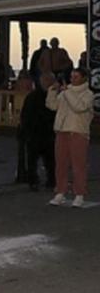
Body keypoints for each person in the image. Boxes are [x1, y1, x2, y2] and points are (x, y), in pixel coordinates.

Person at [46, 68, 93, 207]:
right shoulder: (66, 92)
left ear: (84, 78)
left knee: (78, 165)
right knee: (61, 164)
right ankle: (60, 191)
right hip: (62, 131)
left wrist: (67, 92)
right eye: (72, 76)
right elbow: (52, 105)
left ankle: (79, 194)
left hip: (78, 132)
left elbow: (78, 107)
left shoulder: (88, 94)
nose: (73, 79)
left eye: (76, 77)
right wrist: (52, 91)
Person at [21, 73, 56, 191]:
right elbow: (25, 116)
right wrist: (27, 131)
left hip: (48, 132)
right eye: (45, 81)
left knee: (50, 159)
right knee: (33, 160)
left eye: (49, 81)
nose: (47, 84)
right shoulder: (32, 97)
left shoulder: (55, 96)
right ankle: (33, 181)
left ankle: (51, 180)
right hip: (35, 132)